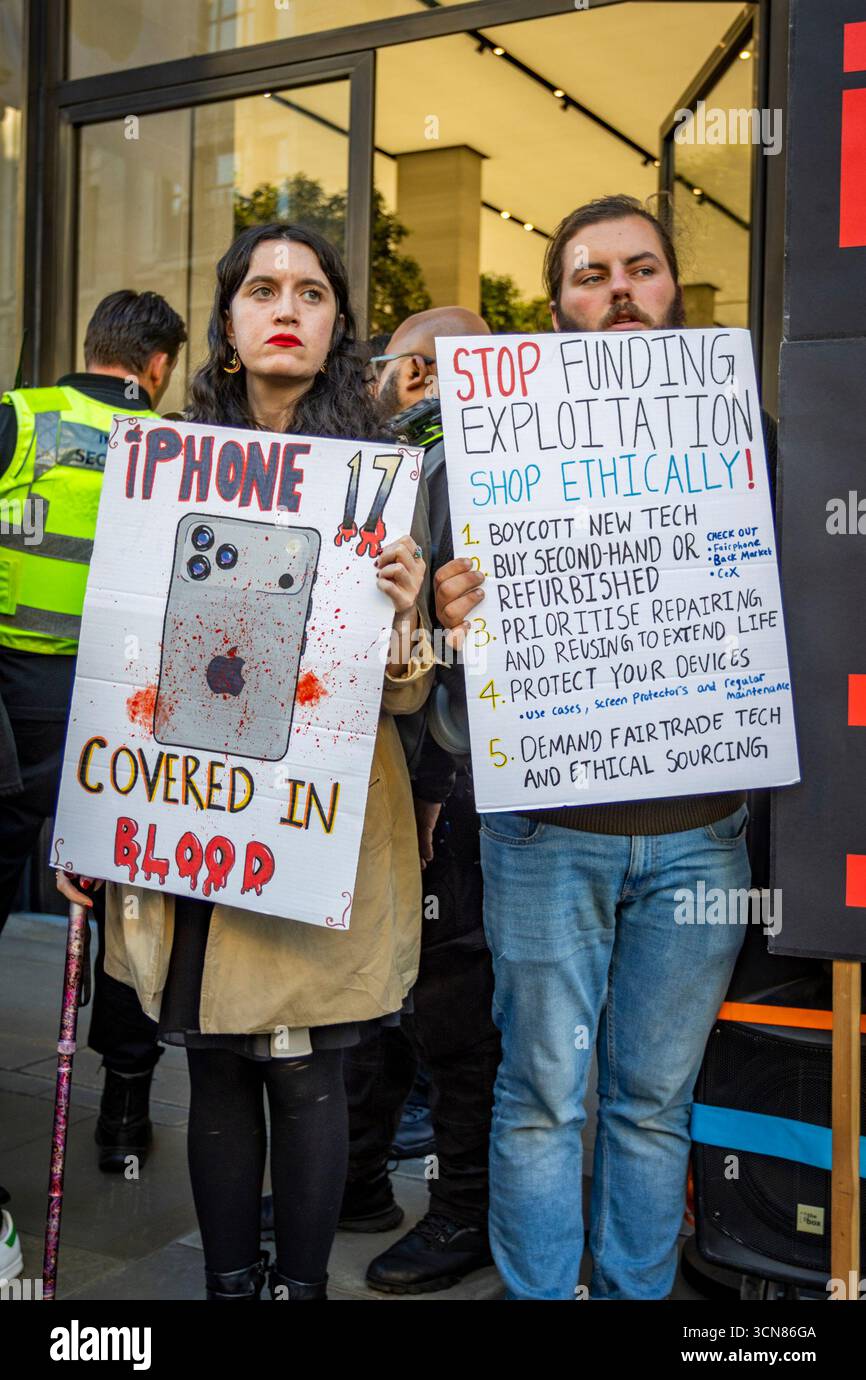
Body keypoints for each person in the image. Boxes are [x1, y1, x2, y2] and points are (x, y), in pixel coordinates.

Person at [57, 222, 435, 1302]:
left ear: (333, 326)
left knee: (306, 1070)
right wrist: (84, 816)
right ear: (224, 325)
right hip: (190, 812)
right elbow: (116, 642)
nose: (286, 305)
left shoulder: (379, 482)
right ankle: (230, 1286)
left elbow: (407, 695)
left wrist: (404, 620)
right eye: (261, 288)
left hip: (313, 829)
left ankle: (301, 1288)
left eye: (310, 291)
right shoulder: (159, 466)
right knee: (212, 1059)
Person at [434, 194, 777, 1300]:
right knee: (541, 1096)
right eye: (591, 274)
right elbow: (425, 680)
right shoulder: (479, 452)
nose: (618, 289)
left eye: (640, 268)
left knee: (648, 1096)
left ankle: (635, 1294)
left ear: (673, 289)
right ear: (556, 304)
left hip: (699, 838)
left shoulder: (747, 439)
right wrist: (447, 622)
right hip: (542, 835)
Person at [0, 290, 186, 1175]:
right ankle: (122, 1113)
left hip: (10, 706)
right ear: (157, 367)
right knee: (131, 913)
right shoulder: (183, 450)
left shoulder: (18, 418)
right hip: (121, 712)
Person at [336, 307, 502, 1296]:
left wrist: (439, 785)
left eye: (395, 364)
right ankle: (356, 1181)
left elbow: (451, 657)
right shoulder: (399, 463)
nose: (381, 379)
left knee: (446, 1004)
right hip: (392, 782)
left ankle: (460, 1210)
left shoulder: (464, 471)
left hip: (449, 787)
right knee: (378, 989)